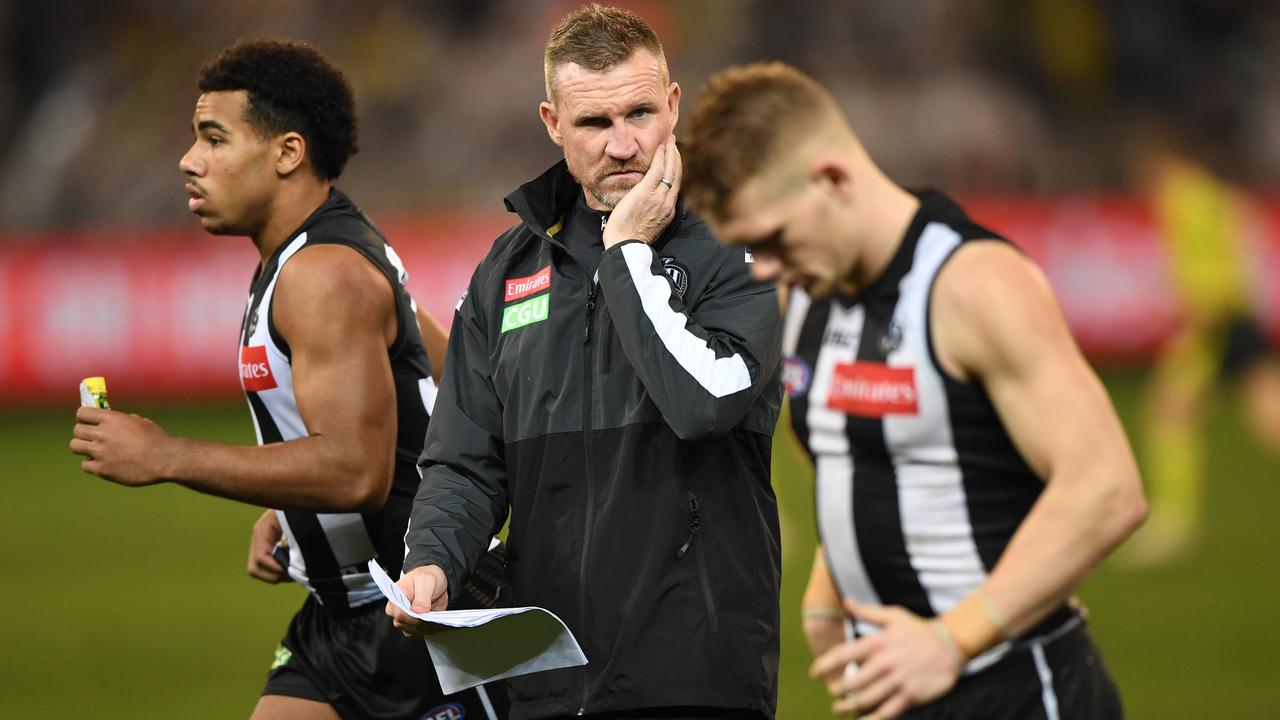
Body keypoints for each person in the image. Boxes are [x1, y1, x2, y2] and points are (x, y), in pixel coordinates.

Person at [683, 62, 1148, 720]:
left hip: (1013, 689)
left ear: (833, 179)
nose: (766, 268)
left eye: (773, 240)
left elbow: (1107, 489)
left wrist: (950, 641)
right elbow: (857, 451)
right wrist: (831, 574)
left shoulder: (973, 285)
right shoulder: (807, 291)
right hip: (899, 685)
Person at [68, 38, 501, 720]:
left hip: (419, 614)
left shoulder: (323, 275)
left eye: (214, 138)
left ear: (287, 153)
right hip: (339, 617)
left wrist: (166, 455)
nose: (189, 160)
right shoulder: (312, 253)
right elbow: (453, 382)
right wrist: (300, 514)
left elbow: (358, 472)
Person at [385, 6, 784, 720]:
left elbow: (705, 406)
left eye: (640, 114)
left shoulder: (739, 236)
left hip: (691, 673)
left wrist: (627, 255)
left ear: (673, 105)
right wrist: (434, 562)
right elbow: (466, 462)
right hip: (544, 678)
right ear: (552, 123)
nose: (624, 145)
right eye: (596, 124)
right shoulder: (505, 274)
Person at [1120, 131, 1280, 566]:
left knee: (1167, 413)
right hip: (1235, 314)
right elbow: (1243, 218)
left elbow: (1216, 243)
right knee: (1267, 420)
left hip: (1216, 320)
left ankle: (1173, 525)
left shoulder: (1182, 196)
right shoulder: (1204, 192)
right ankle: (1173, 523)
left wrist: (1203, 309)